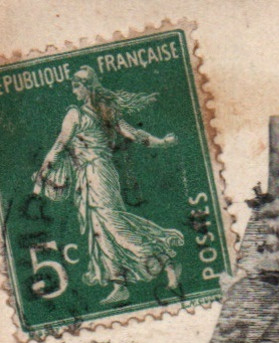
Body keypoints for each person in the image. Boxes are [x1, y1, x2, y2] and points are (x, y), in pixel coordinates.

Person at [31, 67, 184, 304]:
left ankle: (165, 261)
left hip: (96, 175)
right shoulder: (104, 113)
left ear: (87, 87)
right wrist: (161, 143)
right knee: (98, 229)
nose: (75, 91)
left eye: (77, 86)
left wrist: (41, 177)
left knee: (113, 225)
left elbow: (59, 147)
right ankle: (119, 284)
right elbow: (135, 134)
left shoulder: (78, 115)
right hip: (91, 177)